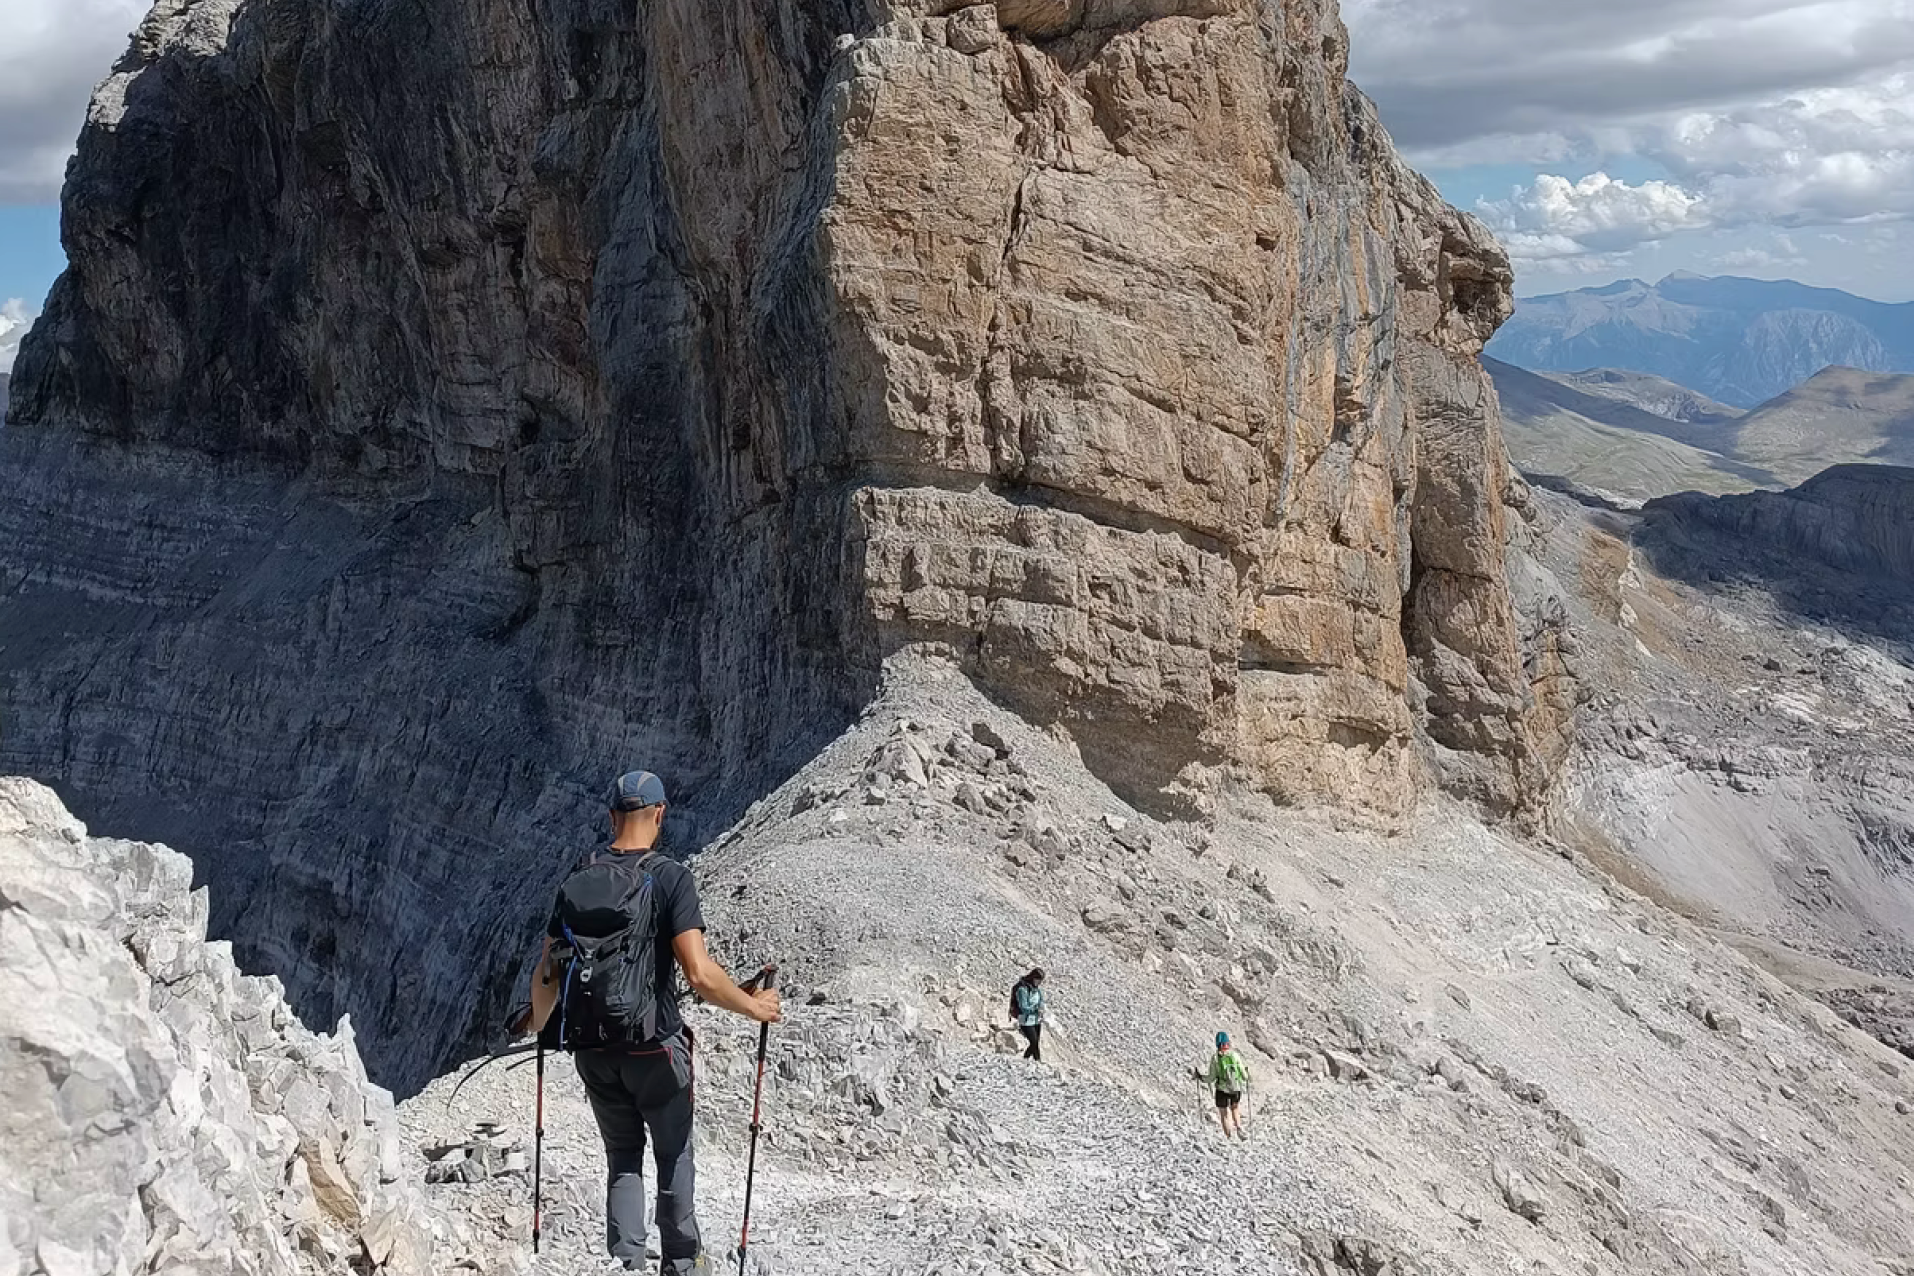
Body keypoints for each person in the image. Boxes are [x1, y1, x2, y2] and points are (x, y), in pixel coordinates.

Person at [527, 771, 782, 1275]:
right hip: (656, 1049)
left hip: (592, 1049)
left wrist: (537, 1025)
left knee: (622, 1154)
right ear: (660, 815)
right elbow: (699, 973)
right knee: (673, 1154)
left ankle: (626, 1264)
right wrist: (755, 1007)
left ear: (611, 817)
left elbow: (546, 972)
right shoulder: (670, 878)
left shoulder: (578, 878)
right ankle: (683, 1263)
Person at [1209, 1031, 1250, 1140]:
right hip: (1235, 1087)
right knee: (1235, 1108)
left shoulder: (1215, 1059)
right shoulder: (1234, 1055)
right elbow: (1244, 1075)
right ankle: (1239, 1127)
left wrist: (1201, 1077)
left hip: (1221, 1089)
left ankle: (1229, 1137)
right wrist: (1246, 1076)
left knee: (1224, 1114)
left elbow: (1211, 1077)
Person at [1011, 968, 1045, 1061]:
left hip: (1036, 1019)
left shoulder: (1036, 989)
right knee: (1033, 1042)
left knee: (1035, 1043)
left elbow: (1041, 999)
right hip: (1025, 1020)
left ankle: (1035, 1060)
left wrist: (1041, 1007)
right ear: (1033, 978)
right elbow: (1023, 1007)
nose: (1039, 983)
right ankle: (1028, 1060)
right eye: (1038, 980)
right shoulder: (1022, 990)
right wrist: (1035, 1010)